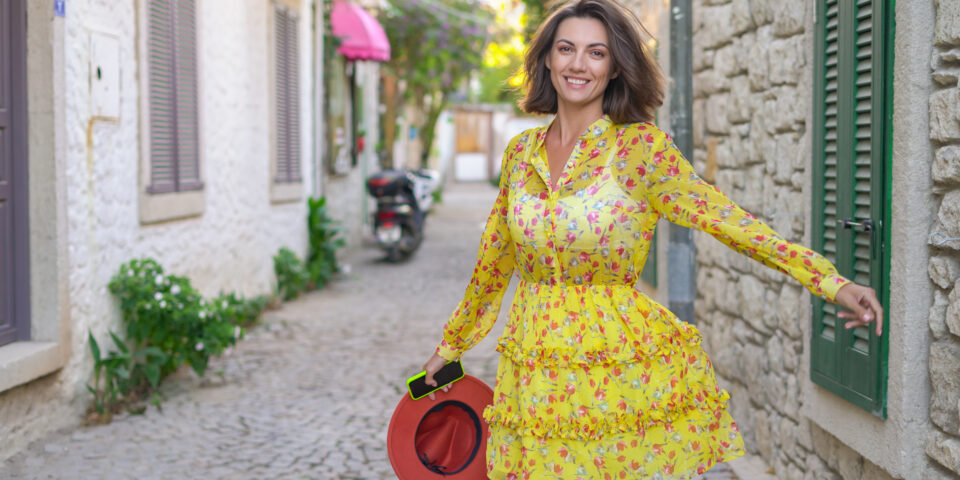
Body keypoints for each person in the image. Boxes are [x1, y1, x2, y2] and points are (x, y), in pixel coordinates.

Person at [421, 0, 883, 478]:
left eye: (596, 53)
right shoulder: (521, 154)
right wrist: (451, 348)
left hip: (611, 367)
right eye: (566, 49)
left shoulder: (640, 149)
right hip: (533, 365)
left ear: (616, 67)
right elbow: (493, 264)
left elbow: (728, 221)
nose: (578, 64)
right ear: (547, 60)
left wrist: (830, 282)